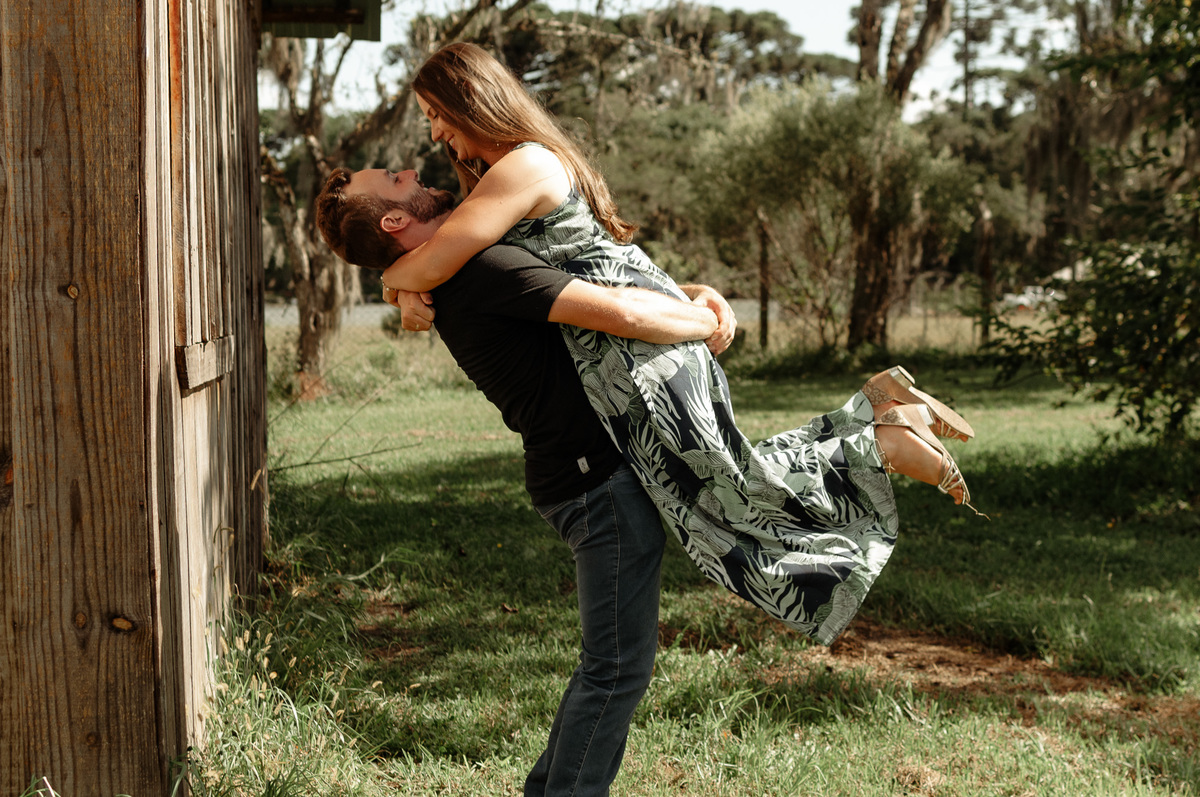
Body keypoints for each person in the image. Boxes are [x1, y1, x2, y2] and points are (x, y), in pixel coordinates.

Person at [378, 41, 983, 645]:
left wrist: (392, 283)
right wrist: (405, 287)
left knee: (727, 498)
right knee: (727, 484)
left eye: (435, 114)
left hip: (639, 351)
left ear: (469, 98)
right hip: (638, 346)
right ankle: (881, 421)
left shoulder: (520, 166)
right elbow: (467, 261)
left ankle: (881, 438)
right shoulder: (522, 166)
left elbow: (433, 262)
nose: (434, 134)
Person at [316, 164, 737, 797]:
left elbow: (599, 277)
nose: (414, 170)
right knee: (617, 669)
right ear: (394, 220)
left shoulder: (462, 266)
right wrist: (705, 322)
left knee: (609, 664)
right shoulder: (478, 271)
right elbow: (618, 311)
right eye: (396, 180)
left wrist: (693, 294)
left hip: (584, 478)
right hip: (596, 484)